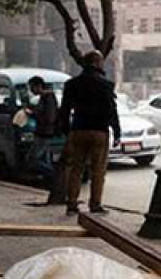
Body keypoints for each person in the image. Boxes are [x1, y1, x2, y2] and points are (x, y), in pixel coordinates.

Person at [57, 50, 121, 216]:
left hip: (78, 130)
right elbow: (111, 109)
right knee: (98, 170)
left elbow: (64, 109)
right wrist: (116, 130)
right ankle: (95, 204)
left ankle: (71, 204)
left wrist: (65, 129)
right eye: (101, 61)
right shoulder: (105, 84)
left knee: (76, 169)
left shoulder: (72, 84)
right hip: (99, 131)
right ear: (97, 62)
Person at [24, 76, 58, 184]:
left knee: (32, 159)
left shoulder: (48, 97)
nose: (31, 90)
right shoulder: (43, 98)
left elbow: (49, 117)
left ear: (38, 86)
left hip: (45, 133)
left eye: (31, 87)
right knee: (44, 159)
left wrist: (33, 114)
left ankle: (55, 175)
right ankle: (50, 180)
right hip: (42, 132)